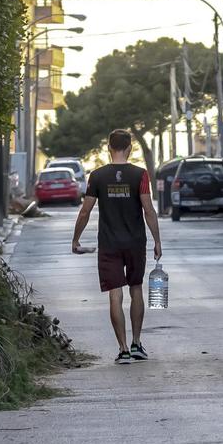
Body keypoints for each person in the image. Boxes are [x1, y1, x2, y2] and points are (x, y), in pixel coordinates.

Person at [71, 129, 163, 364]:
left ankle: (122, 349)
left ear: (108, 148)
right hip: (135, 242)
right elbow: (148, 210)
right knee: (136, 288)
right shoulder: (140, 175)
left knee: (115, 294)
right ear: (130, 148)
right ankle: (137, 344)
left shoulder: (97, 176)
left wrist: (76, 239)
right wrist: (157, 241)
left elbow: (85, 211)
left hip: (109, 244)